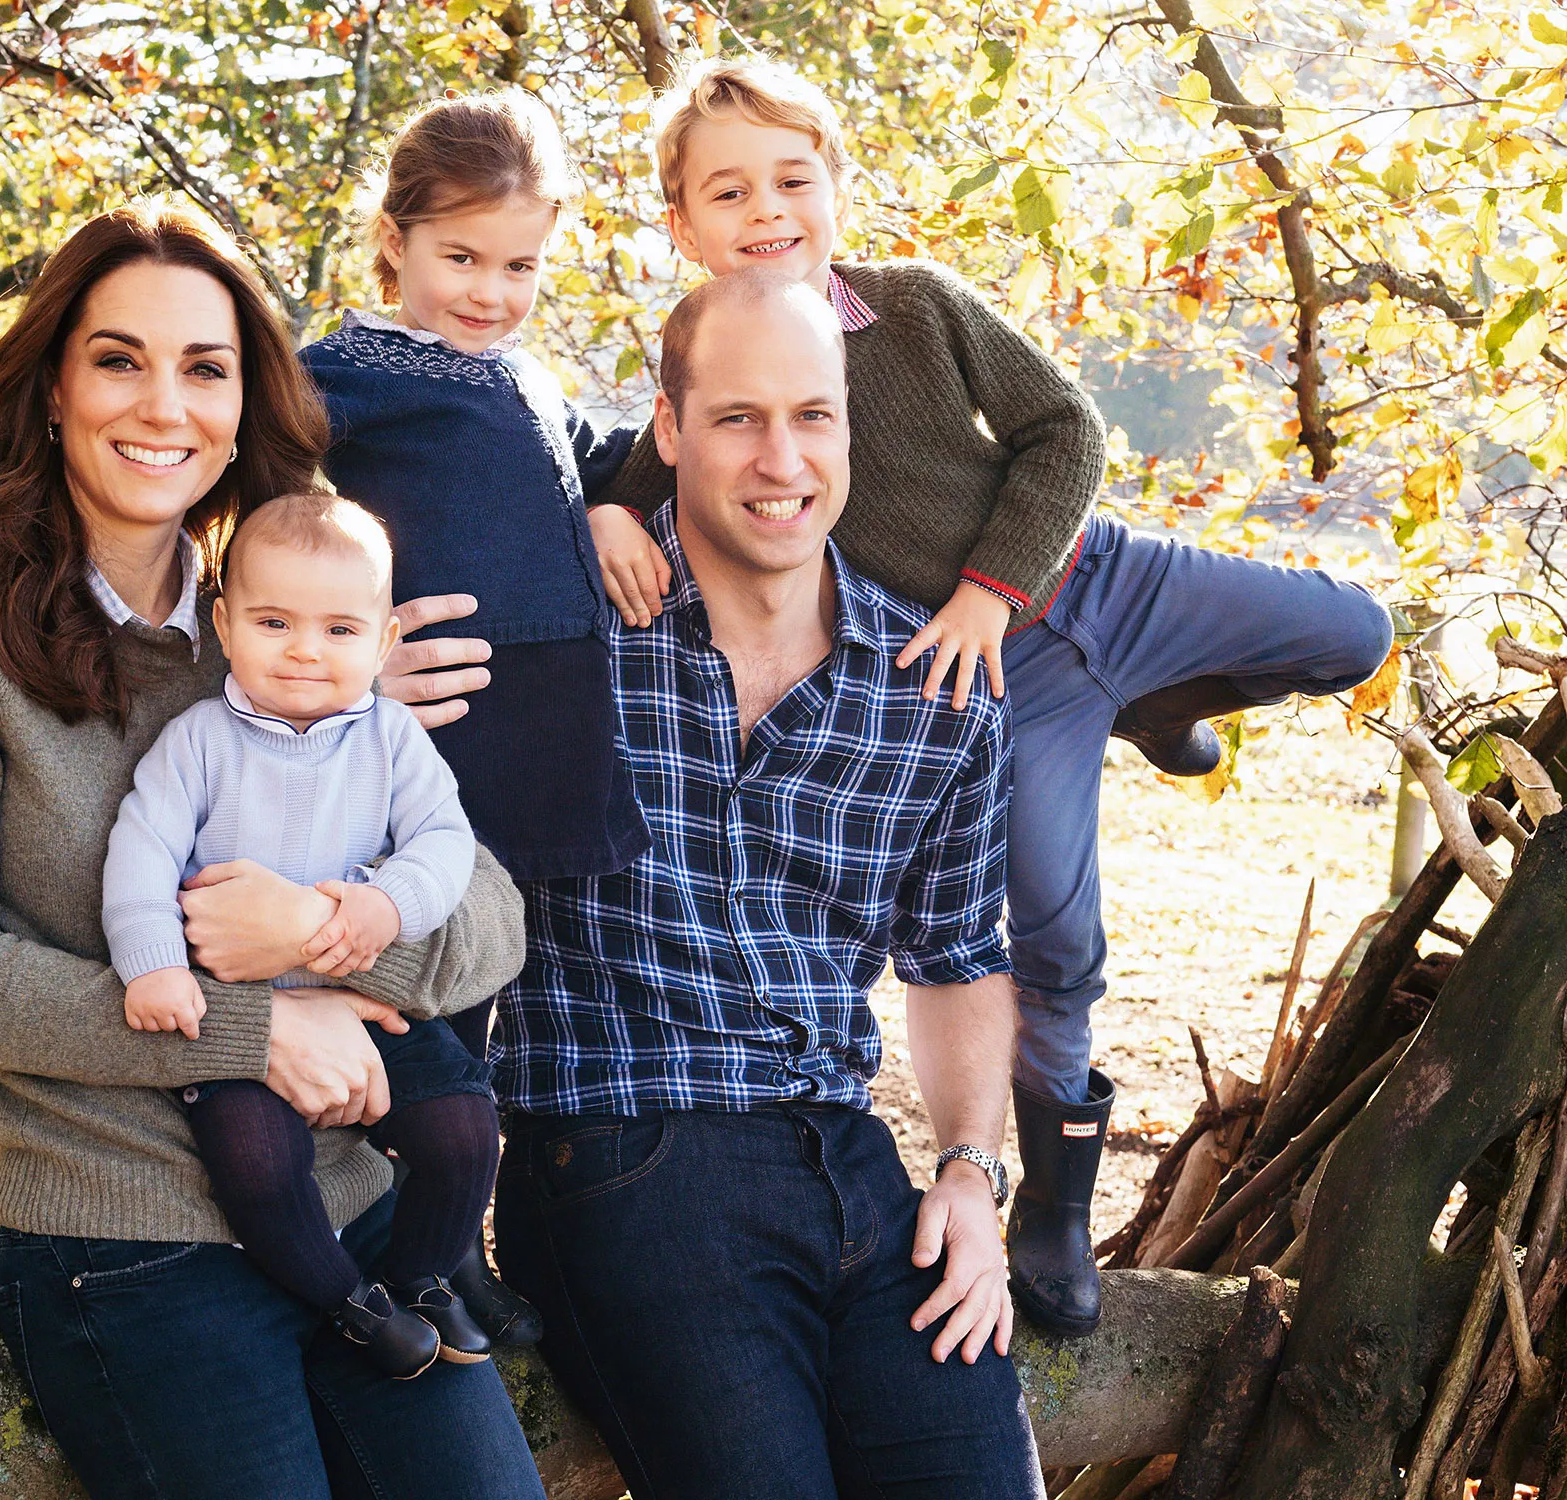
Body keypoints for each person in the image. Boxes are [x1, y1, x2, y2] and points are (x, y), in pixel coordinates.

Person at [589, 56, 1394, 1336]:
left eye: (793, 179)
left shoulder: (913, 307)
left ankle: (1158, 699)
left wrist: (984, 585)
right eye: (727, 192)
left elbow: (1064, 429)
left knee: (1355, 630)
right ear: (682, 225)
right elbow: (649, 467)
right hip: (998, 687)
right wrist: (599, 514)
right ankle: (1055, 1216)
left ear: (836, 187)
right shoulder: (714, 368)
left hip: (1098, 581)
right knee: (1053, 938)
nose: (767, 211)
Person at [0, 197, 546, 1500]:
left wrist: (333, 934)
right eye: (119, 358)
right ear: (51, 387)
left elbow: (492, 916)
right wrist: (257, 1028)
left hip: (358, 1209)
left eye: (204, 368)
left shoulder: (289, 616)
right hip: (128, 1243)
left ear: (245, 404)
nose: (163, 405)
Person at [492, 269, 1047, 1499]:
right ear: (671, 431)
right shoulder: (564, 646)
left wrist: (968, 1167)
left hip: (849, 1162)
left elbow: (955, 958)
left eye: (811, 415)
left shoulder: (933, 691)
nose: (780, 457)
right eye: (737, 418)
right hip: (620, 1146)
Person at [298, 89, 649, 1341]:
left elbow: (598, 451)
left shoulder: (524, 372)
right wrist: (342, 653)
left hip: (545, 736)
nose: (490, 292)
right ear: (393, 240)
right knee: (423, 998)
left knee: (486, 1001)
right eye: (459, 258)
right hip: (441, 736)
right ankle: (413, 1244)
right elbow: (252, 507)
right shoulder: (345, 373)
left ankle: (454, 1242)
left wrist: (609, 503)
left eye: (519, 266)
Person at [103, 492, 500, 1378]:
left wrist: (385, 906)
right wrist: (154, 965)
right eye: (273, 621)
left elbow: (444, 844)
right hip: (238, 1018)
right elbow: (140, 851)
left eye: (339, 629)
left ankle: (423, 1276)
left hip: (360, 1003)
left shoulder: (393, 740)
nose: (305, 650)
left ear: (385, 641)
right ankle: (347, 1302)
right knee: (255, 1160)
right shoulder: (197, 741)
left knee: (464, 1127)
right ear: (225, 623)